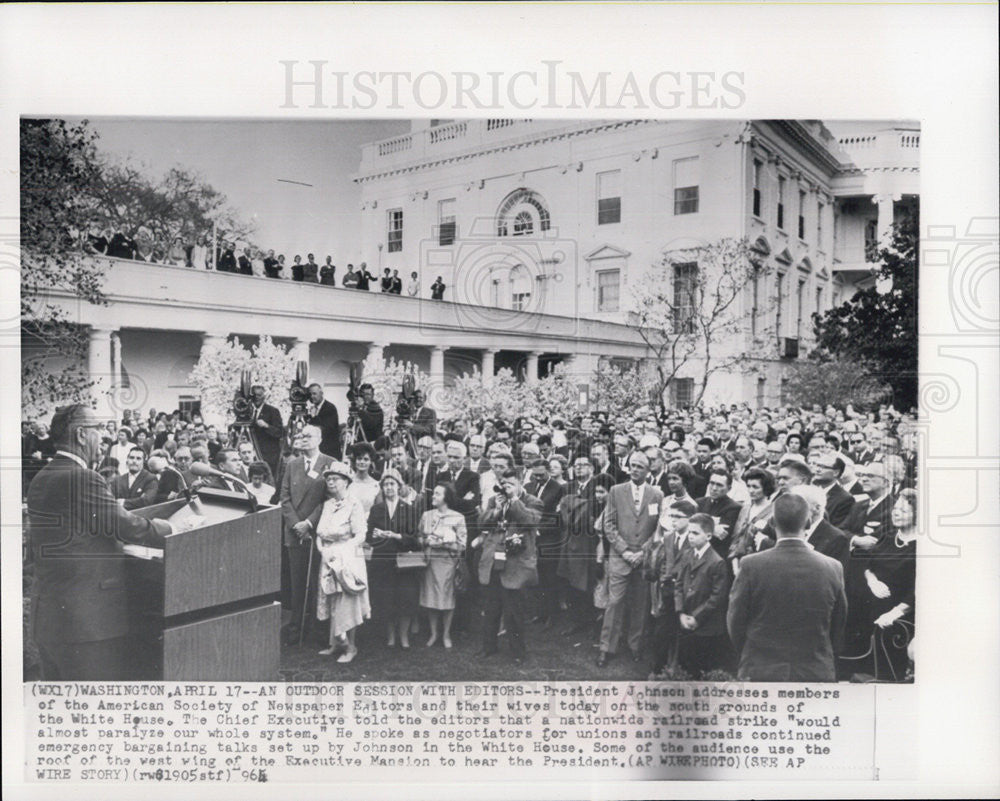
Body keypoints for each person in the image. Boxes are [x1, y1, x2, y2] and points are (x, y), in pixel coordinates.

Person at [25, 404, 187, 680]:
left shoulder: (44, 475)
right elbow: (123, 525)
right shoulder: (82, 477)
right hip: (87, 624)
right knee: (91, 709)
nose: (102, 437)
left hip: (53, 619)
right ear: (80, 436)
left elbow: (82, 532)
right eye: (97, 429)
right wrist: (173, 527)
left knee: (60, 712)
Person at [727, 493, 847, 682]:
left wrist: (754, 654)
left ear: (772, 522)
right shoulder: (833, 567)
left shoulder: (751, 565)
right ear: (807, 523)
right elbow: (837, 626)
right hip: (814, 671)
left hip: (761, 670)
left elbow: (735, 623)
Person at [597, 451, 663, 667]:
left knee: (639, 604)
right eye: (632, 465)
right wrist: (624, 551)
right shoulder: (616, 491)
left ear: (648, 470)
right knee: (614, 602)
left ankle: (635, 645)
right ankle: (607, 647)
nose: (635, 470)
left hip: (643, 559)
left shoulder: (656, 494)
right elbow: (609, 524)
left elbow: (657, 528)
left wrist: (642, 552)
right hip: (620, 557)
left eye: (640, 467)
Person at [848, 488, 916, 682]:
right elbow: (868, 565)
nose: (896, 513)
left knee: (890, 671)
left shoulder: (922, 546)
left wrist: (896, 612)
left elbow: (918, 589)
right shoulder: (887, 537)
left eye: (903, 510)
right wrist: (872, 581)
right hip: (873, 610)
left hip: (899, 618)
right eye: (895, 509)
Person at [476, 469, 543, 662]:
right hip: (493, 561)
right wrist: (496, 510)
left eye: (510, 484)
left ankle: (517, 653)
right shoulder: (494, 500)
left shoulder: (533, 501)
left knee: (514, 612)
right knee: (491, 609)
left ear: (521, 483)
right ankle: (488, 647)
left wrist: (513, 500)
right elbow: (481, 524)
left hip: (516, 564)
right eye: (504, 484)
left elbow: (530, 520)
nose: (505, 488)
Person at [278, 426, 334, 646]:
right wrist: (295, 524)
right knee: (297, 581)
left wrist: (309, 523)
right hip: (294, 533)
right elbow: (284, 496)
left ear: (320, 438)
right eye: (301, 436)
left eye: (309, 435)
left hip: (316, 532)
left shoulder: (329, 463)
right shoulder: (292, 465)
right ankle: (296, 627)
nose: (304, 439)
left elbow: (329, 499)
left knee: (317, 582)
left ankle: (316, 628)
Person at [314, 462, 370, 663]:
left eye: (335, 478)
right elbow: (320, 532)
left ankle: (350, 647)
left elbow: (361, 534)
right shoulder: (328, 505)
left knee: (347, 601)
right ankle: (335, 644)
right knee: (332, 598)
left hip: (348, 558)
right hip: (328, 557)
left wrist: (342, 551)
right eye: (328, 478)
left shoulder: (354, 504)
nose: (330, 481)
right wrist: (323, 549)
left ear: (346, 481)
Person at [365, 468, 422, 649]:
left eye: (392, 484)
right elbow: (368, 537)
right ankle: (390, 636)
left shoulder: (410, 509)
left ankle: (403, 636)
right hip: (382, 561)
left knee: (405, 599)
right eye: (385, 484)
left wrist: (397, 536)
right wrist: (377, 535)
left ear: (399, 486)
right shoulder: (376, 509)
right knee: (386, 599)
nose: (389, 488)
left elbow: (415, 540)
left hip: (403, 562)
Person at [556, 458, 611, 636]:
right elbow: (563, 514)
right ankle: (577, 620)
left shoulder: (597, 486)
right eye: (576, 465)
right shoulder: (567, 487)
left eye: (584, 465)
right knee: (573, 583)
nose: (579, 468)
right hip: (570, 542)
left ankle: (590, 621)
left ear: (592, 468)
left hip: (589, 544)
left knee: (589, 582)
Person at [673, 513, 730, 678]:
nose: (690, 536)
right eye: (689, 532)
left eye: (695, 533)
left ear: (709, 536)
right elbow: (678, 584)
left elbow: (717, 597)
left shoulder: (717, 562)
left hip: (705, 626)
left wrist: (696, 617)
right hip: (685, 620)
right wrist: (681, 612)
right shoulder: (687, 554)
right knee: (684, 665)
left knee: (700, 668)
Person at [649, 499, 697, 675]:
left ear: (690, 519)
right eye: (671, 516)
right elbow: (665, 561)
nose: (674, 520)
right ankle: (658, 670)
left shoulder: (694, 539)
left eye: (678, 517)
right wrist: (663, 578)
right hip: (668, 591)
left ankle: (677, 669)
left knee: (682, 634)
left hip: (687, 593)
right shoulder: (668, 536)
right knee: (662, 632)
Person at [418, 482, 467, 648]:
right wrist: (426, 540)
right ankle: (434, 633)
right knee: (431, 598)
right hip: (430, 562)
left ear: (446, 497)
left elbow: (462, 545)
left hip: (447, 562)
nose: (433, 496)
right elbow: (418, 537)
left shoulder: (458, 517)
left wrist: (445, 544)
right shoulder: (426, 515)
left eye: (437, 494)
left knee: (446, 599)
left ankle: (446, 634)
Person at [523, 457, 566, 626]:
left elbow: (558, 518)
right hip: (531, 539)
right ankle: (540, 613)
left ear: (548, 471)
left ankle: (552, 615)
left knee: (550, 578)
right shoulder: (529, 487)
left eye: (541, 475)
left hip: (548, 539)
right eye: (535, 475)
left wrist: (539, 530)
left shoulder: (558, 489)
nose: (538, 478)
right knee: (537, 578)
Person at [696, 469, 742, 560]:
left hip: (715, 555)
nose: (714, 488)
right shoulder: (700, 502)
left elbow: (722, 535)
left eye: (719, 485)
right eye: (712, 483)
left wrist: (701, 523)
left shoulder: (733, 507)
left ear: (729, 488)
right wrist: (713, 527)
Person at [249, 384, 284, 478]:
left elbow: (279, 432)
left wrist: (266, 426)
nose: (256, 398)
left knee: (268, 478)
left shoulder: (273, 411)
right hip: (251, 452)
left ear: (264, 397)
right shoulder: (247, 410)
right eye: (254, 395)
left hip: (268, 455)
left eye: (259, 395)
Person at [307, 383, 341, 459]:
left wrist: (314, 417)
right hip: (318, 450)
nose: (312, 397)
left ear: (321, 394)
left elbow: (328, 429)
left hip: (329, 451)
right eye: (310, 394)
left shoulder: (330, 408)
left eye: (314, 394)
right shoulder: (312, 409)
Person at [347, 442, 381, 515]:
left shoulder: (376, 485)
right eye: (359, 459)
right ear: (355, 461)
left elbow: (379, 510)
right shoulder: (347, 482)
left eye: (366, 459)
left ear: (370, 462)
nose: (362, 462)